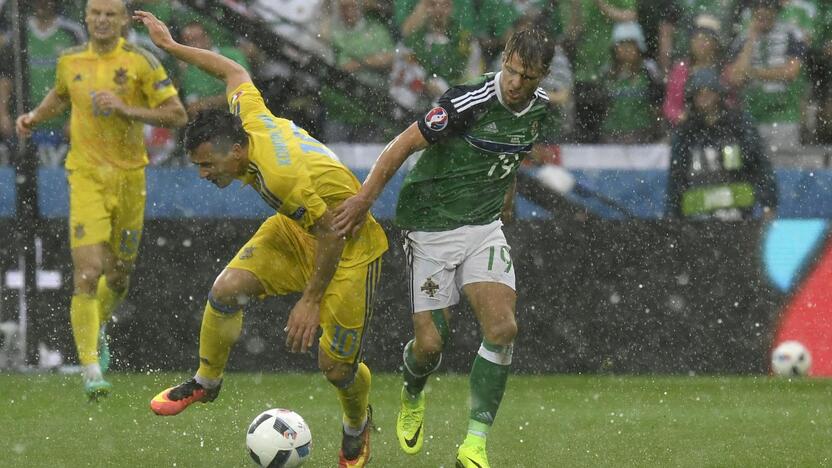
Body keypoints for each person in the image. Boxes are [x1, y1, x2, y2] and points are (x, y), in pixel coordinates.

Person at [134, 11, 388, 468]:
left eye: (207, 165)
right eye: (197, 167)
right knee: (225, 290)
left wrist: (310, 300)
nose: (204, 175)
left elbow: (330, 230)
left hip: (348, 244)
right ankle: (206, 383)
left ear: (236, 151)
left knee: (336, 368)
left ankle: (356, 426)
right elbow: (234, 71)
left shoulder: (280, 172)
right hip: (303, 228)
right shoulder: (246, 118)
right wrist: (172, 49)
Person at [334, 28, 556, 468]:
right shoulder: (467, 101)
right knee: (431, 345)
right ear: (504, 59)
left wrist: (506, 198)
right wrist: (364, 199)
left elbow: (512, 155)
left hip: (483, 228)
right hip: (430, 225)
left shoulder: (540, 109)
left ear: (541, 75)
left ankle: (474, 444)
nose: (515, 83)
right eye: (511, 71)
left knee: (502, 328)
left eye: (526, 77)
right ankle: (413, 390)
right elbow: (402, 144)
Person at [15, 0, 187, 400]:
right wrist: (35, 117)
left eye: (111, 14)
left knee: (119, 275)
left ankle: (101, 324)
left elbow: (177, 114)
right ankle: (91, 369)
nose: (102, 20)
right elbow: (61, 96)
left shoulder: (142, 62)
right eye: (96, 13)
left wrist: (125, 108)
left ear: (124, 20)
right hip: (86, 176)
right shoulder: (70, 60)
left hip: (129, 178)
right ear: (87, 18)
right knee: (88, 273)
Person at [666, 68, 778, 220]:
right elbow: (676, 179)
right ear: (692, 98)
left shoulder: (739, 126)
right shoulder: (686, 133)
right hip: (696, 219)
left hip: (737, 216)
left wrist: (768, 204)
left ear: (719, 94)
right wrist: (673, 217)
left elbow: (760, 167)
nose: (704, 97)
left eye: (709, 91)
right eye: (699, 93)